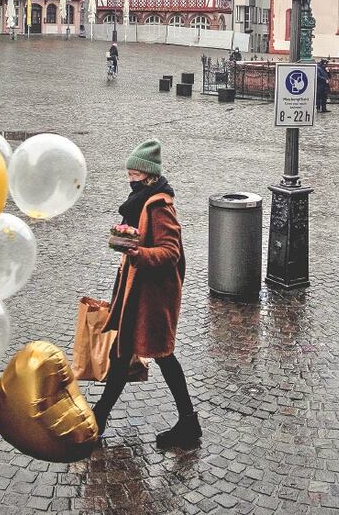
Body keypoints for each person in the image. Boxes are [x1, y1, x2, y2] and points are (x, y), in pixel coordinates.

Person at [91, 139, 199, 449]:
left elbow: (170, 252)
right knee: (124, 354)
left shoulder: (159, 205)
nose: (129, 177)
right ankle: (99, 418)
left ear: (147, 175)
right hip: (136, 292)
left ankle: (189, 424)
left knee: (162, 354)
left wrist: (137, 254)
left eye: (134, 171)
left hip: (153, 296)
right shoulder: (141, 201)